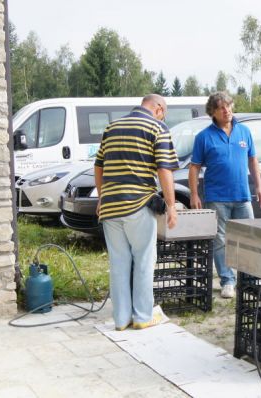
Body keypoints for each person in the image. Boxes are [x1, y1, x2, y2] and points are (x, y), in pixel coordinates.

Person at [95, 94, 178, 331]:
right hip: (138, 205)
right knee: (143, 260)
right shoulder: (156, 127)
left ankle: (121, 320)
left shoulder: (112, 127)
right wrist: (171, 206)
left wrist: (102, 197)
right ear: (159, 109)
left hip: (110, 207)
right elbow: (164, 169)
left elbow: (98, 166)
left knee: (119, 262)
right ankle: (142, 316)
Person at [188, 92, 261, 299]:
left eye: (229, 106)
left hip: (242, 195)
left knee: (250, 237)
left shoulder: (244, 131)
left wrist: (259, 186)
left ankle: (249, 279)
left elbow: (253, 160)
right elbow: (194, 167)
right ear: (212, 112)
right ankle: (227, 281)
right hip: (216, 196)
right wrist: (194, 194)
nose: (227, 110)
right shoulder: (204, 137)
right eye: (221, 107)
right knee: (220, 240)